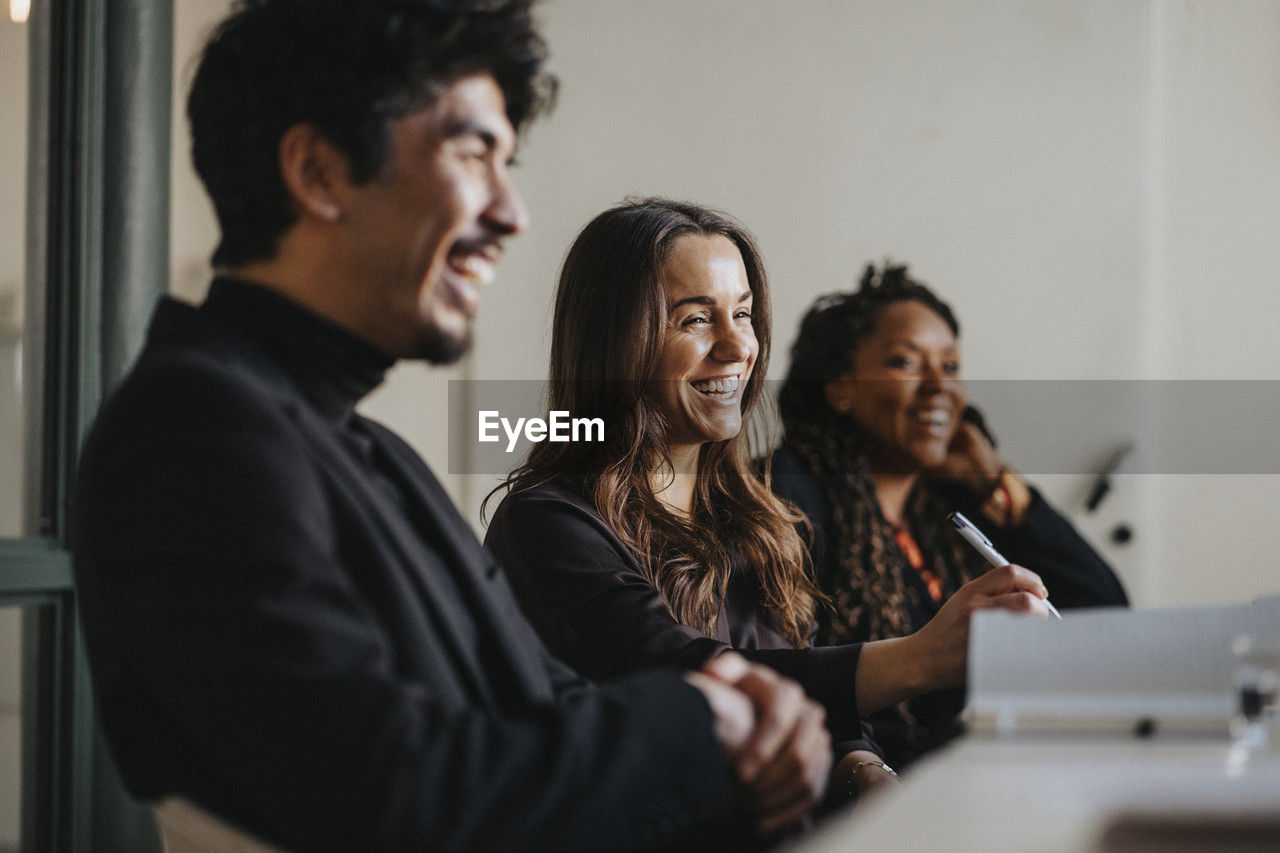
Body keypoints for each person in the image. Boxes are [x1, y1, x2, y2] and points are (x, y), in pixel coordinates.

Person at [71, 3, 836, 849]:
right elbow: (393, 790)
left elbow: (547, 700)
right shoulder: (193, 437)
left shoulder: (369, 452)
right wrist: (708, 721)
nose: (513, 212)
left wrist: (746, 732)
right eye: (474, 155)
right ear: (319, 171)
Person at [484, 198, 1057, 802]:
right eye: (695, 320)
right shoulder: (547, 523)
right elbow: (683, 678)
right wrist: (922, 657)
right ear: (616, 345)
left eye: (744, 315)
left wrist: (868, 775)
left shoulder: (754, 519)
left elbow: (820, 705)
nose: (737, 348)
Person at [772, 262, 1130, 767]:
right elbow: (791, 679)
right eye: (906, 362)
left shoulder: (946, 509)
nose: (939, 387)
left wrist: (996, 486)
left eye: (951, 366)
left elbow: (1103, 612)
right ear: (840, 388)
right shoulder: (789, 499)